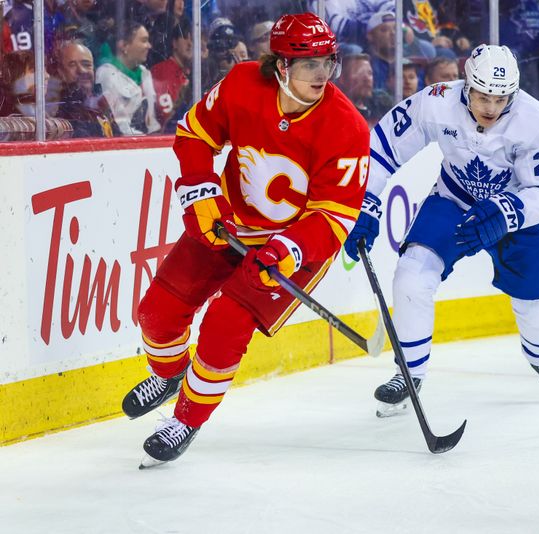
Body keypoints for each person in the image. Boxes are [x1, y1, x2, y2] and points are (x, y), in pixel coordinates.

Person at [120, 12, 370, 466]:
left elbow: (333, 217)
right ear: (280, 66)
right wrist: (200, 190)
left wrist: (289, 249)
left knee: (223, 325)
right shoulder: (241, 84)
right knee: (156, 313)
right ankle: (170, 373)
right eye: (307, 62)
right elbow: (196, 133)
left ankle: (186, 419)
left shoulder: (346, 127)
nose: (321, 73)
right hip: (227, 225)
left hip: (292, 251)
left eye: (327, 62)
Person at [343, 44, 539, 416]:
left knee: (535, 294)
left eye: (501, 99)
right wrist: (364, 200)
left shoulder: (535, 119)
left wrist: (508, 212)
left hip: (512, 211)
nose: (491, 108)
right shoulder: (436, 102)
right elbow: (382, 147)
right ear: (467, 84)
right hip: (453, 200)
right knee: (412, 274)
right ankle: (410, 373)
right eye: (483, 96)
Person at [96, 20, 160, 135]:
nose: (149, 46)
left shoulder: (145, 73)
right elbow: (117, 126)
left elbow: (152, 122)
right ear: (124, 45)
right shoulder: (106, 74)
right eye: (144, 41)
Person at [54, 41, 118, 137]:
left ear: (94, 69)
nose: (82, 70)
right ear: (61, 73)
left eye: (86, 64)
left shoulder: (100, 104)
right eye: (72, 65)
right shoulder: (60, 109)